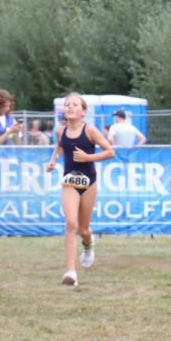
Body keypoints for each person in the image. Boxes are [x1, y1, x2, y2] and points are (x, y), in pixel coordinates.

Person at [46, 93, 115, 286]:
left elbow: (110, 151)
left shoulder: (90, 130)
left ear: (83, 112)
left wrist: (88, 158)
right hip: (69, 181)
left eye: (75, 105)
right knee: (71, 223)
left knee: (83, 229)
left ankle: (88, 244)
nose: (70, 107)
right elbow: (59, 147)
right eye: (67, 104)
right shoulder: (60, 131)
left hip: (89, 182)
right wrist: (53, 160)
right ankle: (70, 272)